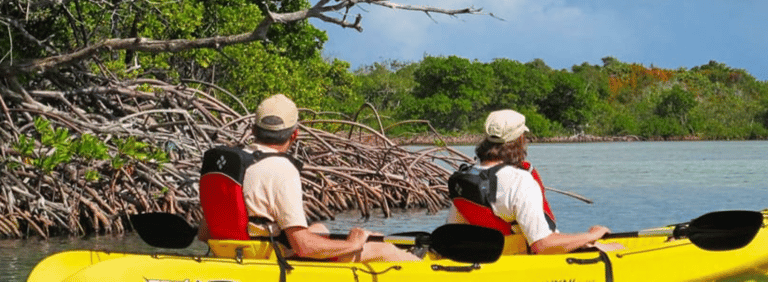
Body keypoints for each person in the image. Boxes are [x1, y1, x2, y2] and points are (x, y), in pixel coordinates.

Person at [198, 93, 419, 262]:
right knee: (386, 249)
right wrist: (353, 243)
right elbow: (304, 247)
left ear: (254, 130)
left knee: (320, 228)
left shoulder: (231, 165)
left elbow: (204, 234)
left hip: (234, 250)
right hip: (266, 258)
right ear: (295, 134)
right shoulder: (281, 169)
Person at [446, 109, 613, 254]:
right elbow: (542, 246)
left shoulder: (466, 178)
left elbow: (453, 232)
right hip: (523, 261)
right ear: (520, 139)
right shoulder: (520, 181)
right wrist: (591, 235)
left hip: (492, 258)